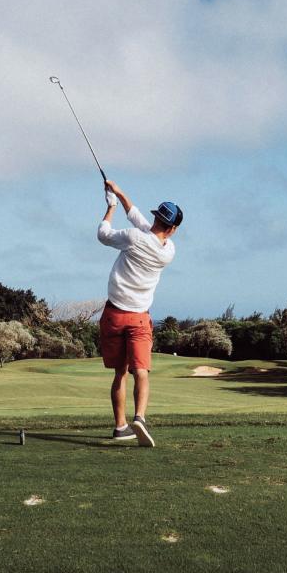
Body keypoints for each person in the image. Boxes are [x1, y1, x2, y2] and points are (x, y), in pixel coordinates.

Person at [97, 179, 183, 447]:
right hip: (139, 318)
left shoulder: (133, 238)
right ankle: (140, 418)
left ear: (156, 218)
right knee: (141, 371)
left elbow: (103, 234)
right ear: (173, 229)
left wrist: (111, 206)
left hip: (114, 314)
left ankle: (120, 427)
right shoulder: (169, 251)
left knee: (120, 373)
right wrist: (119, 193)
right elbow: (139, 220)